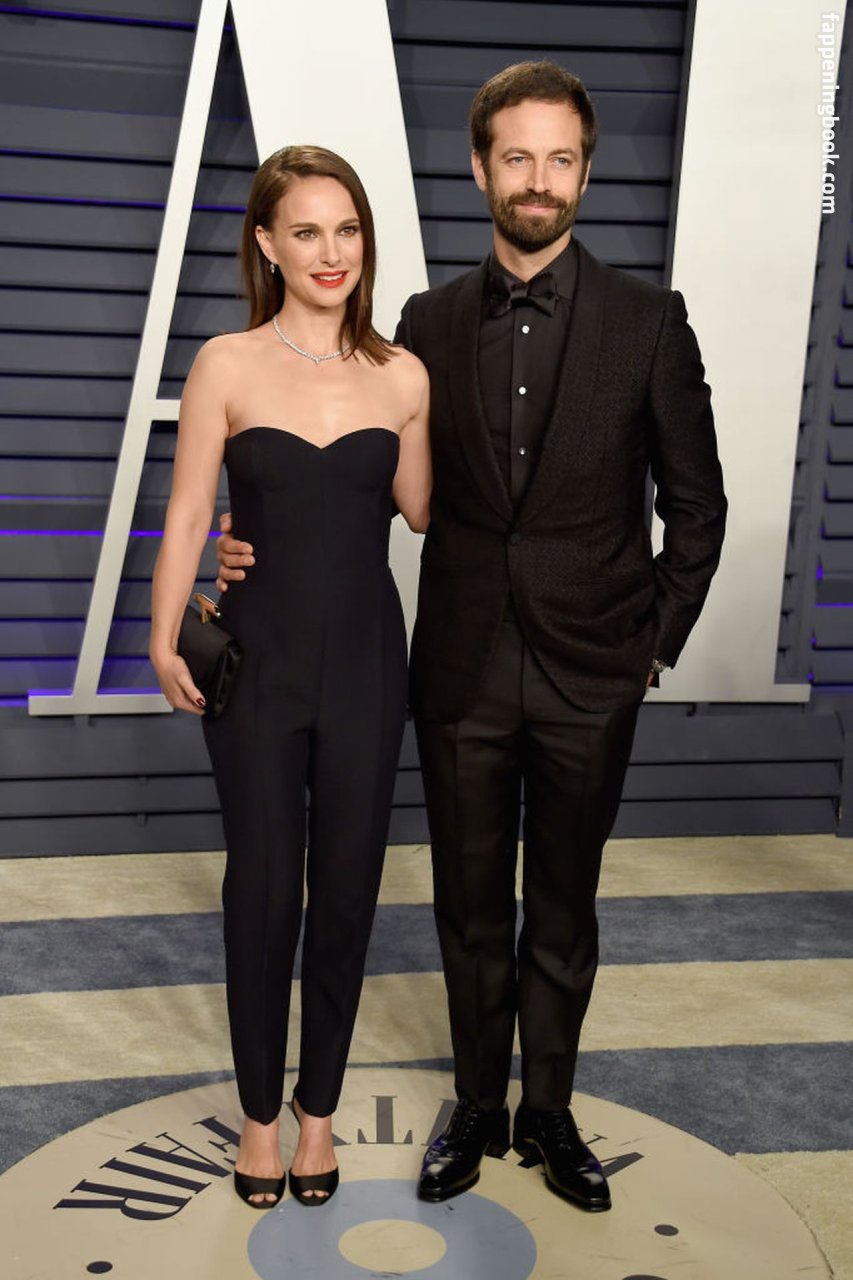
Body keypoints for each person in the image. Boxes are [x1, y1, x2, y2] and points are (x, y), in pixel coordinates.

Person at [216, 61, 726, 1214]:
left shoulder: (649, 322)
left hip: (593, 666)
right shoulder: (421, 326)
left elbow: (697, 506)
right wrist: (244, 541)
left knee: (563, 906)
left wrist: (650, 643)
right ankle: (479, 1103)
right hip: (456, 665)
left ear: (584, 173)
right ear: (480, 167)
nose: (537, 179)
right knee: (467, 904)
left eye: (560, 158)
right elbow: (352, 469)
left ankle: (549, 1107)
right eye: (516, 156)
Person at [150, 145, 431, 1210]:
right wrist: (163, 633)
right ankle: (260, 1122)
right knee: (263, 889)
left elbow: (426, 511)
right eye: (305, 231)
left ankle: (319, 1118)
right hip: (258, 661)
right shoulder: (225, 364)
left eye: (346, 229)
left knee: (349, 891)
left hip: (368, 663)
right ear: (266, 243)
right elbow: (189, 510)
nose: (330, 251)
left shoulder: (404, 377)